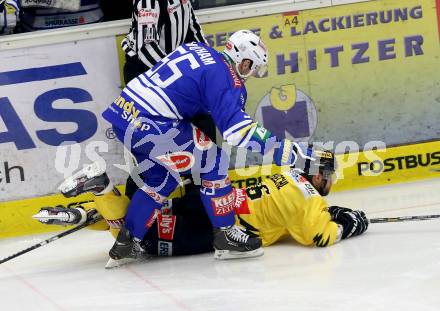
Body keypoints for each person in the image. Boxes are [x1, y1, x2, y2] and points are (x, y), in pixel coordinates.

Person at [98, 29, 316, 267]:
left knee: (161, 179)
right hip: (152, 122)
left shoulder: (198, 49)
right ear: (244, 61)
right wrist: (284, 150)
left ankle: (127, 242)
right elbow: (237, 131)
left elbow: (184, 91)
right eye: (252, 67)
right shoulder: (225, 77)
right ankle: (225, 236)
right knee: (213, 161)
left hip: (123, 116)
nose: (250, 74)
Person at [35, 146, 369, 265]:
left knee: (147, 213)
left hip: (211, 203)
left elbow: (285, 218)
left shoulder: (284, 177)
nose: (331, 183)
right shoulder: (309, 201)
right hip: (214, 227)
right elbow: (317, 237)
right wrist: (352, 222)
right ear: (317, 176)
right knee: (143, 242)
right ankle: (101, 192)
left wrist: (330, 210)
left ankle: (88, 213)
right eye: (329, 176)